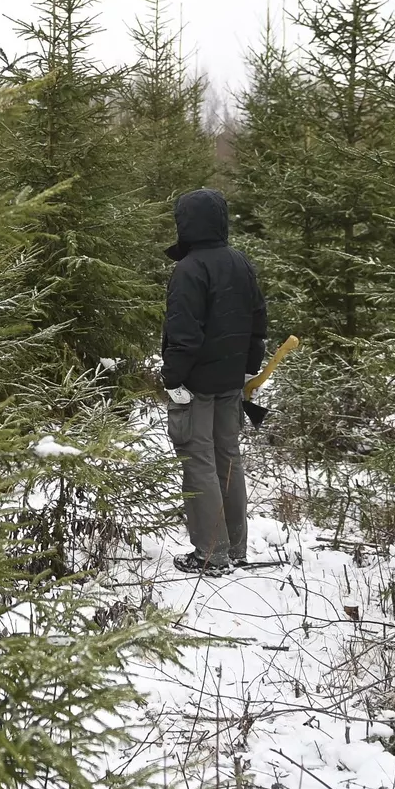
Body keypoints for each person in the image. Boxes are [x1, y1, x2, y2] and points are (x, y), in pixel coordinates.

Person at [160, 187, 267, 576]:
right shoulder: (240, 262)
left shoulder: (189, 270)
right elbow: (258, 320)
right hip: (230, 380)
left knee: (199, 460)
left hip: (197, 385)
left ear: (185, 223)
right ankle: (234, 548)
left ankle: (211, 553)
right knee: (227, 457)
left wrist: (172, 378)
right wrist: (248, 367)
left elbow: (184, 334)